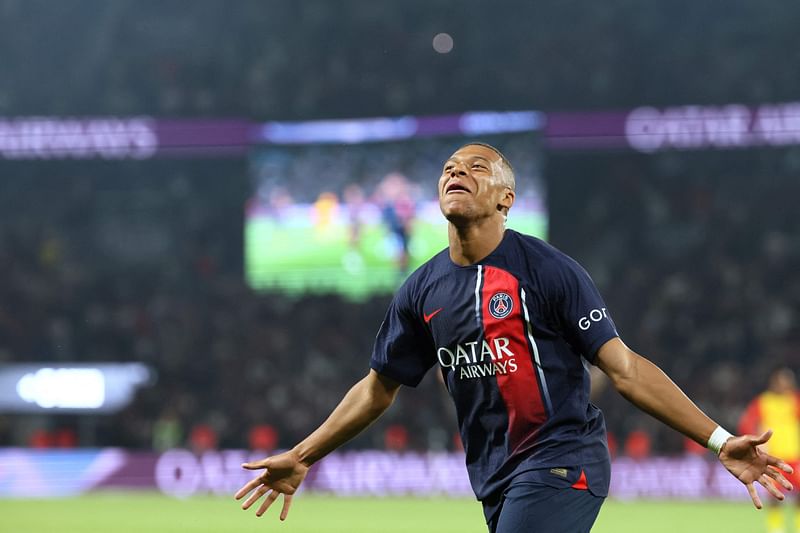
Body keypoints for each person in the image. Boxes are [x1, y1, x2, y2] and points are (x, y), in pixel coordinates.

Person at [234, 143, 794, 532]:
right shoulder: (421, 291)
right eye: (451, 167)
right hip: (494, 475)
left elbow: (624, 369)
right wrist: (304, 455)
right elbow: (378, 387)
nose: (458, 171)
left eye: (478, 168)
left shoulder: (548, 271)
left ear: (506, 199)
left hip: (562, 460)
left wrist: (720, 441)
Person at [740, 367, 800, 533]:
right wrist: (756, 442)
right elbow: (747, 423)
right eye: (781, 381)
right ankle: (776, 528)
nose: (785, 385)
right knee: (775, 494)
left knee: (799, 493)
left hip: (794, 455)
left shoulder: (795, 401)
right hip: (772, 457)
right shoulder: (763, 402)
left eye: (788, 381)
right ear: (774, 383)